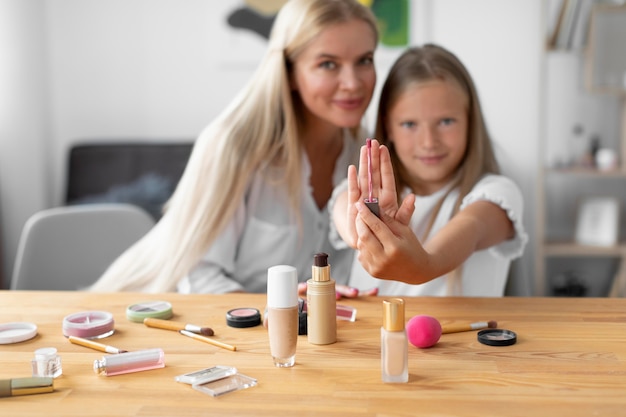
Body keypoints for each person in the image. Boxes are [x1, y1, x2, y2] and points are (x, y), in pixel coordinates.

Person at [89, 0, 379, 294]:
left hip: (275, 330)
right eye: (328, 64)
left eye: (364, 60)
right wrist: (278, 309)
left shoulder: (366, 155)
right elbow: (198, 278)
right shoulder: (233, 146)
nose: (353, 83)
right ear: (289, 73)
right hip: (149, 314)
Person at [331, 44, 528, 296]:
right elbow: (345, 207)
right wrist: (362, 233)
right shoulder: (364, 193)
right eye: (409, 124)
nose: (428, 142)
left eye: (446, 122)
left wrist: (423, 265)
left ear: (471, 122)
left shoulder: (497, 194)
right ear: (388, 127)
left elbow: (473, 226)